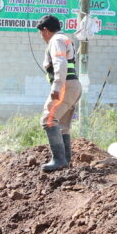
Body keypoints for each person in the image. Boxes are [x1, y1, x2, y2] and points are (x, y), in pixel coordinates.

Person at [36, 14, 82, 171]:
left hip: (65, 86)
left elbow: (60, 63)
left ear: (46, 30)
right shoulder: (65, 39)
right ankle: (65, 161)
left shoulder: (56, 40)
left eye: (41, 33)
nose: (42, 36)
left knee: (48, 119)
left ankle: (59, 159)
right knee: (61, 124)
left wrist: (56, 86)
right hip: (73, 85)